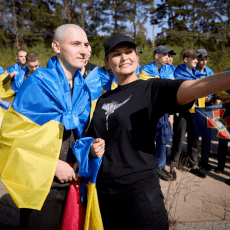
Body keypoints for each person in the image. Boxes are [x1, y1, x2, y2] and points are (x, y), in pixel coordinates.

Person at [87, 33, 230, 230]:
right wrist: (92, 147)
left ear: (137, 56)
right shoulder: (103, 100)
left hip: (140, 193)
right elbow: (96, 136)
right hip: (105, 192)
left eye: (128, 52)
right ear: (107, 62)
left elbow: (195, 87)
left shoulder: (151, 88)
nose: (124, 58)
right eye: (116, 54)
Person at [0, 24, 107, 229]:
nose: (84, 50)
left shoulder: (83, 89)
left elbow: (79, 133)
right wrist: (51, 165)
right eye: (75, 44)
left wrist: (88, 149)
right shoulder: (37, 83)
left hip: (74, 181)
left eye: (86, 44)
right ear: (56, 46)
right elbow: (12, 136)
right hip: (42, 185)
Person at [170, 49, 207, 179]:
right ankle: (173, 165)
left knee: (194, 139)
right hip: (183, 111)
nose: (197, 61)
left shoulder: (197, 73)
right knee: (179, 138)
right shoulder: (179, 72)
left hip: (196, 113)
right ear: (186, 59)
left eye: (197, 58)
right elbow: (183, 90)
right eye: (194, 58)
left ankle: (194, 165)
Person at [140, 45, 176, 181]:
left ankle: (160, 167)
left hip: (164, 111)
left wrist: (171, 115)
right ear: (157, 56)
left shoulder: (169, 70)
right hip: (149, 111)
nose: (168, 57)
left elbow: (172, 92)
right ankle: (147, 166)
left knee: (162, 140)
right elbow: (144, 92)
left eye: (169, 55)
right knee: (147, 140)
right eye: (165, 55)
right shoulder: (146, 70)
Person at [193, 48, 215, 171]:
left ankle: (204, 161)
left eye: (206, 59)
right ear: (197, 60)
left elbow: (213, 88)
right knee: (195, 136)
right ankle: (194, 163)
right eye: (202, 59)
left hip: (207, 109)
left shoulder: (210, 72)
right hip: (195, 109)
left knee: (207, 136)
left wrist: (210, 97)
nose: (204, 62)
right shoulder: (193, 72)